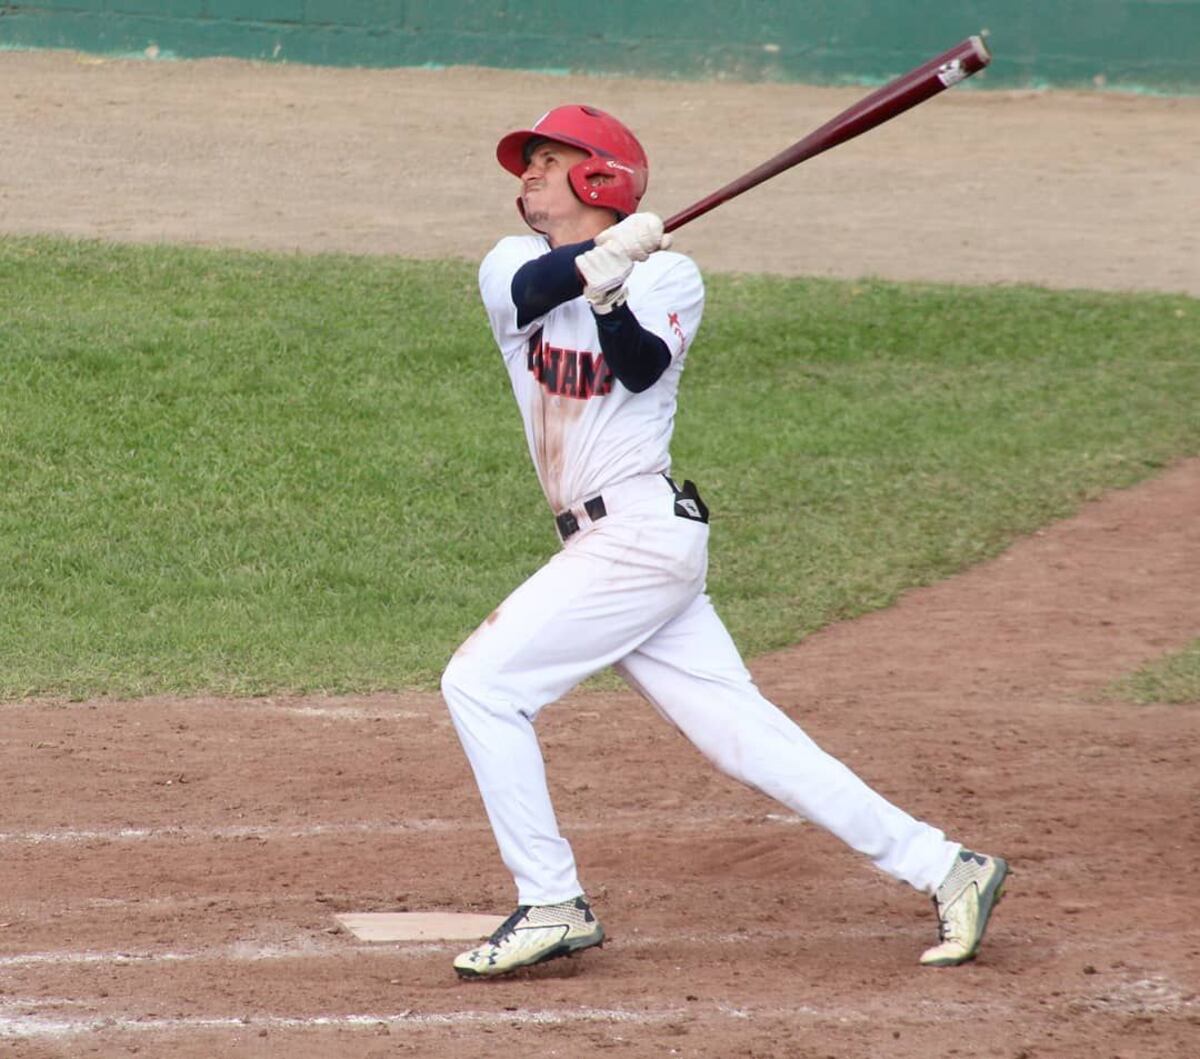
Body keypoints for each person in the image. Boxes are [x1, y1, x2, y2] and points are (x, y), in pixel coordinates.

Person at [441, 104, 1008, 979]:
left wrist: (615, 289)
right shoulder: (510, 262)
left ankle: (551, 898)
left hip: (638, 534)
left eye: (547, 161)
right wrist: (593, 265)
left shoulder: (672, 279)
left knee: (481, 682)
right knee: (745, 739)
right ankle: (947, 866)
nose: (526, 174)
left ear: (599, 178)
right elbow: (529, 294)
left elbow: (636, 367)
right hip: (617, 545)